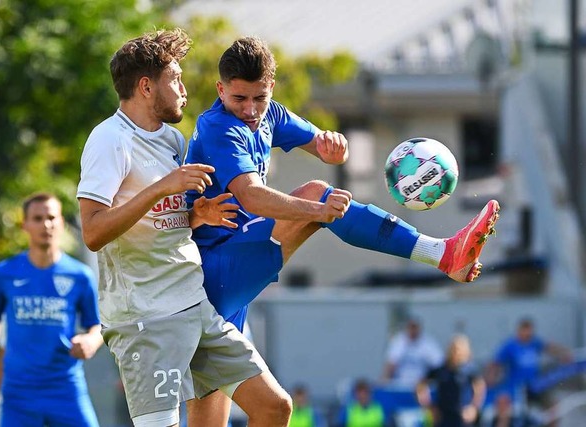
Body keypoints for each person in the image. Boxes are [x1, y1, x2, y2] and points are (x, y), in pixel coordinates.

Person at [185, 35, 499, 419]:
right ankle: (440, 252)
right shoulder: (219, 128)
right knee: (317, 193)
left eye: (259, 98)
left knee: (264, 411)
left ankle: (443, 255)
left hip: (223, 293)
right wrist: (317, 211)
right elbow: (252, 197)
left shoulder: (270, 116)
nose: (250, 110)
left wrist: (333, 145)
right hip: (213, 273)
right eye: (239, 99)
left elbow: (322, 143)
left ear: (271, 89)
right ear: (221, 90)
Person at [76, 28, 292, 427]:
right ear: (145, 86)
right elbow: (93, 233)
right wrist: (164, 188)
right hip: (145, 320)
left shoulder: (173, 140)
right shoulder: (109, 140)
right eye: (174, 78)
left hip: (194, 306)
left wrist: (196, 215)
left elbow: (160, 220)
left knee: (274, 407)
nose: (183, 88)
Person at [0, 192, 103, 426]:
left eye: (52, 217)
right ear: (25, 225)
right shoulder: (4, 274)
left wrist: (91, 341)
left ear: (61, 223)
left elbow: (98, 326)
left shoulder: (80, 275)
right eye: (38, 218)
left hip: (65, 387)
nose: (46, 224)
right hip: (18, 392)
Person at [486, 318, 572, 417]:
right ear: (519, 330)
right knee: (513, 413)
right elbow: (496, 363)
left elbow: (549, 347)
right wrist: (490, 379)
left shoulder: (534, 343)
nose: (528, 335)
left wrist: (564, 353)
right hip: (516, 388)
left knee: (553, 409)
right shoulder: (510, 346)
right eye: (525, 332)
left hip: (535, 385)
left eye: (530, 332)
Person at [416, 334, 486, 427]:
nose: (456, 352)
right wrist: (429, 406)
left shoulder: (469, 370)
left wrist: (473, 408)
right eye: (453, 349)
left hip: (462, 418)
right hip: (442, 417)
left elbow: (480, 386)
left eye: (459, 349)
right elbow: (421, 385)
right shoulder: (441, 370)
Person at [383, 317, 444, 388]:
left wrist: (428, 379)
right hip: (400, 385)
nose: (413, 330)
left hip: (421, 387)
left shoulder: (428, 343)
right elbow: (390, 364)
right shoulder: (398, 342)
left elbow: (439, 364)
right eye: (410, 327)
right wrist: (384, 382)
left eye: (415, 327)